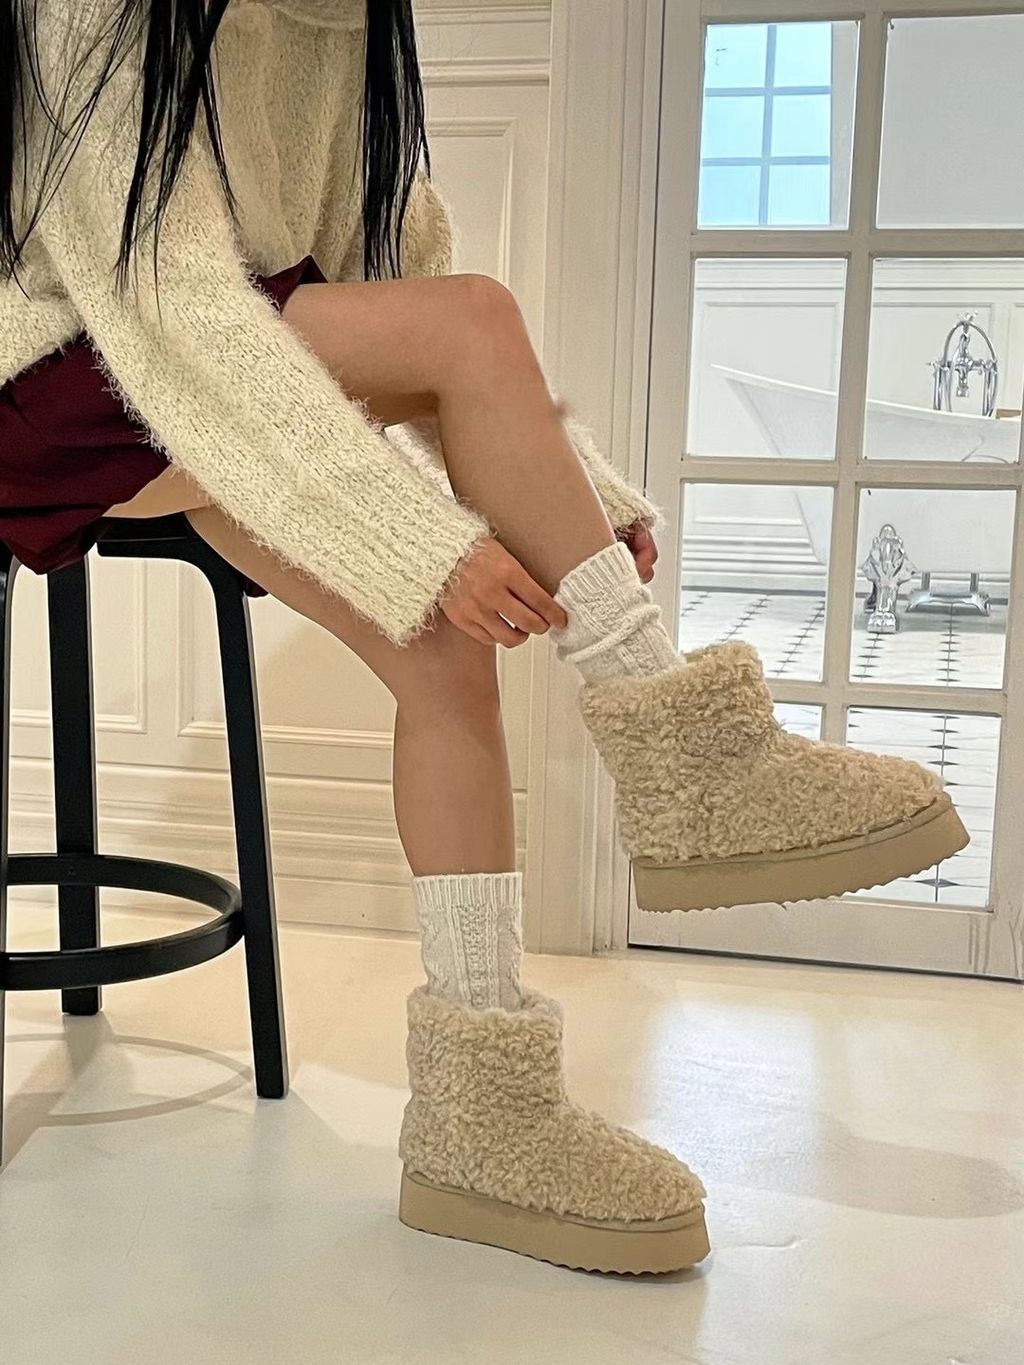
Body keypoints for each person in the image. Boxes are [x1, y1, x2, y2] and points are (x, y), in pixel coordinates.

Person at [0, 0, 967, 1276]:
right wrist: (417, 537)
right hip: (59, 366)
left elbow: (388, 271)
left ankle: (481, 1117)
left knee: (443, 648)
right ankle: (692, 764)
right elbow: (163, 296)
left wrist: (581, 511)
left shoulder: (344, 22)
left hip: (220, 369)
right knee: (472, 329)